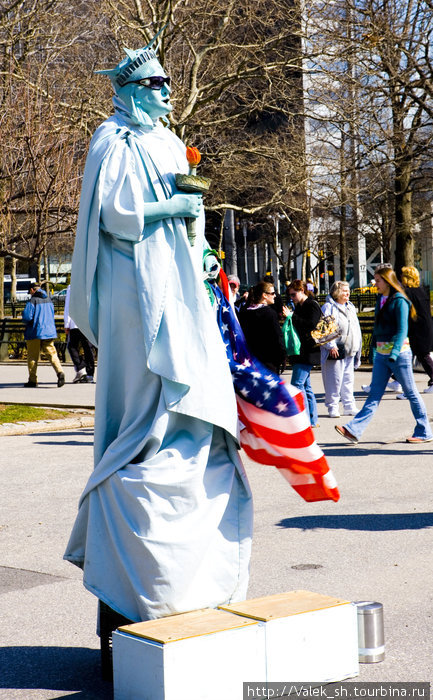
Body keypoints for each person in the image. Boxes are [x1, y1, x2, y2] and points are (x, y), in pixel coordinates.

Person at [64, 38, 253, 626]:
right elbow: (117, 216)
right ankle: (141, 445)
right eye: (154, 84)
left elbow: (192, 222)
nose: (166, 92)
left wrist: (200, 252)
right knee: (148, 367)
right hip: (133, 282)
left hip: (177, 275)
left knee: (191, 364)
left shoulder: (170, 141)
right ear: (125, 90)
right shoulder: (112, 139)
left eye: (167, 83)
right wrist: (172, 210)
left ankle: (176, 438)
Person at [335, 264, 433, 444]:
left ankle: (424, 430)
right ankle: (354, 429)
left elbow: (402, 329)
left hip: (399, 355)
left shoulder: (400, 301)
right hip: (382, 355)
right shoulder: (381, 298)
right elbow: (377, 328)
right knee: (374, 394)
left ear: (387, 281)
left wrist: (394, 353)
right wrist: (374, 349)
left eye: (378, 280)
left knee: (411, 393)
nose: (375, 283)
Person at [320, 281, 362, 418]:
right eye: (344, 291)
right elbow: (324, 329)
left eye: (348, 290)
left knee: (348, 380)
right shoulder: (328, 307)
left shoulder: (350, 306)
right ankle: (332, 406)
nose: (347, 293)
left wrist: (358, 347)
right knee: (334, 380)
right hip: (336, 350)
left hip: (350, 349)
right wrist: (331, 345)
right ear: (336, 292)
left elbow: (356, 328)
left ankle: (349, 406)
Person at [287, 279, 322, 427]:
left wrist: (292, 316)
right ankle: (312, 420)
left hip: (308, 351)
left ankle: (305, 421)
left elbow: (311, 325)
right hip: (303, 350)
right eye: (290, 295)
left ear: (302, 291)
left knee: (297, 385)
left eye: (294, 294)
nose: (292, 298)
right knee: (306, 386)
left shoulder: (311, 304)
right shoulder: (300, 305)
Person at [238, 280, 287, 374]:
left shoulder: (244, 312)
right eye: (272, 293)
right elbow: (277, 338)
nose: (275, 296)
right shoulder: (269, 313)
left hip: (250, 360)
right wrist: (282, 357)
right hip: (269, 361)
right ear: (264, 295)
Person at [22, 282, 65, 388]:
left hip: (35, 332)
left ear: (32, 290)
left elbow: (27, 317)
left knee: (32, 356)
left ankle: (32, 380)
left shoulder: (32, 300)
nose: (30, 294)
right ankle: (60, 372)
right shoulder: (49, 300)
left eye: (30, 292)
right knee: (52, 354)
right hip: (48, 331)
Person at [400, 265, 433, 394]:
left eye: (403, 276)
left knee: (421, 355)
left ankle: (402, 384)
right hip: (425, 326)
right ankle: (397, 380)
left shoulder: (408, 293)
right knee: (418, 355)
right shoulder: (421, 290)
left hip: (417, 329)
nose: (401, 278)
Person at [64, 285, 96, 383]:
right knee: (88, 348)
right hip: (88, 323)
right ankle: (90, 374)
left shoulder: (72, 287)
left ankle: (81, 368)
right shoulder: (90, 285)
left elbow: (68, 306)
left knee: (72, 346)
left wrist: (66, 323)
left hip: (76, 323)